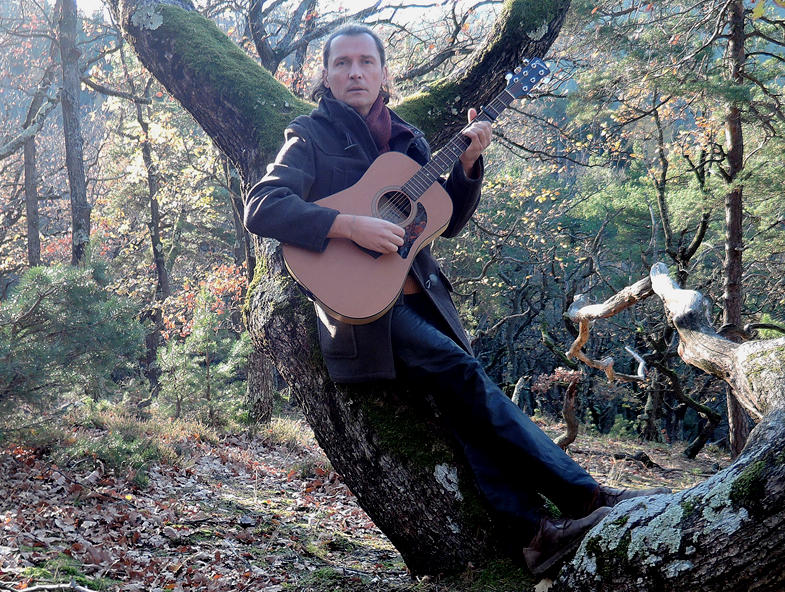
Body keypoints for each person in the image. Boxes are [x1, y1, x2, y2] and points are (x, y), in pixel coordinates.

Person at [244, 23, 668, 576]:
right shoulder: (310, 135)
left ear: (383, 73)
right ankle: (583, 496)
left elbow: (446, 219)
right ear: (324, 75)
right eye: (343, 63)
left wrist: (468, 166)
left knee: (466, 405)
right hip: (365, 311)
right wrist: (349, 225)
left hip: (423, 298)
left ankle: (535, 537)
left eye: (366, 62)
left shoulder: (409, 140)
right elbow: (262, 206)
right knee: (464, 377)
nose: (355, 72)